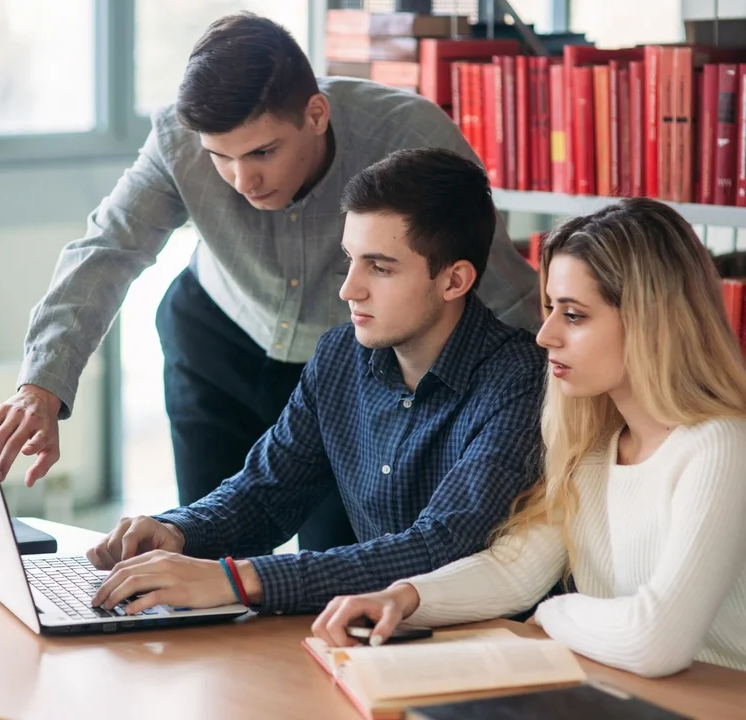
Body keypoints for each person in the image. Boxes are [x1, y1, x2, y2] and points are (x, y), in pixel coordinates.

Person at [0, 13, 540, 552]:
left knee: (335, 561)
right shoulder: (178, 140)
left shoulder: (409, 135)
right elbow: (108, 249)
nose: (242, 180)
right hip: (216, 344)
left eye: (263, 152)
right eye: (220, 158)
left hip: (344, 370)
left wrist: (559, 404)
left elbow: (493, 281)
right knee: (197, 542)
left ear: (316, 113)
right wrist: (42, 385)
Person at [83, 147, 546, 617]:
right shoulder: (340, 356)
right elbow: (266, 493)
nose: (349, 288)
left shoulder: (521, 382)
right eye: (350, 259)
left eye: (380, 267)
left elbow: (438, 549)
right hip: (376, 639)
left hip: (488, 649)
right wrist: (177, 531)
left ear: (454, 281)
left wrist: (237, 580)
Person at [311, 198, 746, 677]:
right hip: (628, 698)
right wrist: (402, 598)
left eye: (575, 316)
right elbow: (515, 571)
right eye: (549, 309)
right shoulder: (596, 448)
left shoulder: (720, 445)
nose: (545, 335)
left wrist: (555, 612)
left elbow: (655, 642)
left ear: (653, 322)